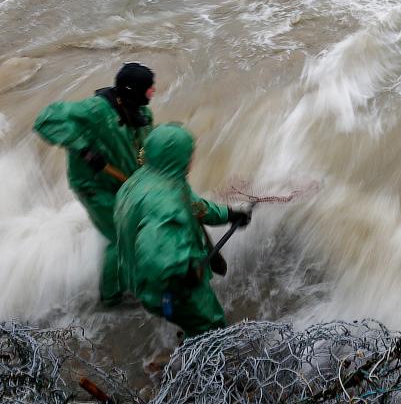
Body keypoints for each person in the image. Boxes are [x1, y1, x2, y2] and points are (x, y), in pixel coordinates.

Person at [33, 63, 156, 306]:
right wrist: (85, 150)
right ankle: (111, 299)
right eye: (149, 88)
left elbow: (146, 149)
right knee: (123, 236)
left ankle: (136, 280)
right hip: (94, 186)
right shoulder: (95, 110)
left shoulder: (142, 114)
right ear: (133, 90)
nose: (153, 91)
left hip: (123, 183)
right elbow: (46, 119)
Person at [114, 123, 251, 338]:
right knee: (210, 326)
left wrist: (229, 214)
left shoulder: (144, 180)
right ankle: (203, 356)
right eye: (189, 154)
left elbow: (195, 205)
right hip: (172, 288)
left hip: (138, 278)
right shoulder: (166, 205)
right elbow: (153, 250)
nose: (192, 160)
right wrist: (183, 271)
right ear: (176, 157)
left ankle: (190, 342)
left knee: (196, 326)